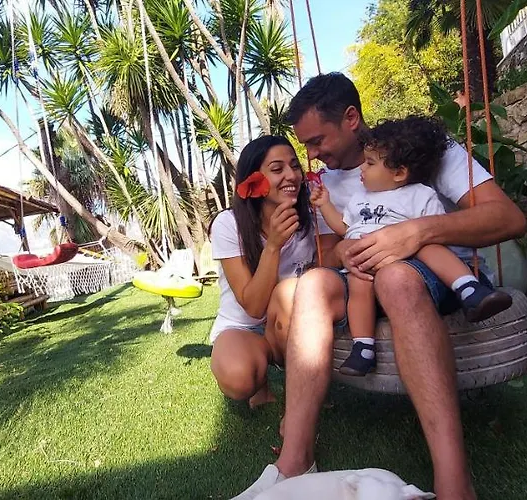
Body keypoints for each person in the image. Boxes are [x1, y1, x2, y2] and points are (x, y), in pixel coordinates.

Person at [232, 73, 525, 500]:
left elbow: (509, 218)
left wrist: (417, 232)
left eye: (317, 141)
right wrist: (344, 252)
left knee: (396, 277)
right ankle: (294, 460)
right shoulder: (324, 184)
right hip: (364, 282)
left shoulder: (420, 151)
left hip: (439, 275)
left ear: (351, 118)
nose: (311, 155)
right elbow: (330, 252)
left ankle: (454, 482)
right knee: (312, 285)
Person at [309, 116, 513, 376]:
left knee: (429, 246)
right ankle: (363, 347)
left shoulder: (420, 194)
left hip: (410, 259)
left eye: (370, 163)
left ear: (399, 173)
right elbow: (343, 227)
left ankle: (469, 288)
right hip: (368, 259)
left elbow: (437, 232)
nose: (362, 169)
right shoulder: (360, 198)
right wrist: (325, 204)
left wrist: (414, 238)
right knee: (358, 283)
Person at [209, 135, 315, 409]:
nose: (291, 175)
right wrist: (274, 246)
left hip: (292, 319)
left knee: (292, 291)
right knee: (238, 379)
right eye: (277, 169)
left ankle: (303, 387)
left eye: (295, 166)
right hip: (243, 325)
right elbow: (254, 307)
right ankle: (260, 381)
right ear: (253, 181)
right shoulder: (228, 224)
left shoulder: (313, 215)